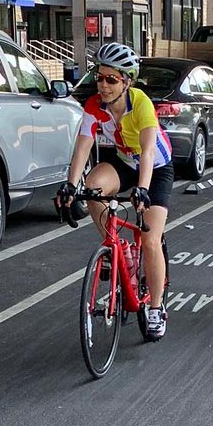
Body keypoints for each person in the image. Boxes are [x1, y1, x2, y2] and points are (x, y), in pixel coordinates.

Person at [56, 42, 174, 340]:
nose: (103, 85)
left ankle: (157, 308)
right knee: (92, 188)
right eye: (99, 77)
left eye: (112, 79)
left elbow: (148, 153)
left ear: (127, 81)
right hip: (123, 162)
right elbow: (82, 147)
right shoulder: (94, 105)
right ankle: (114, 247)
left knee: (149, 240)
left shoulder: (141, 103)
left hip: (156, 169)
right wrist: (71, 185)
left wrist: (143, 190)